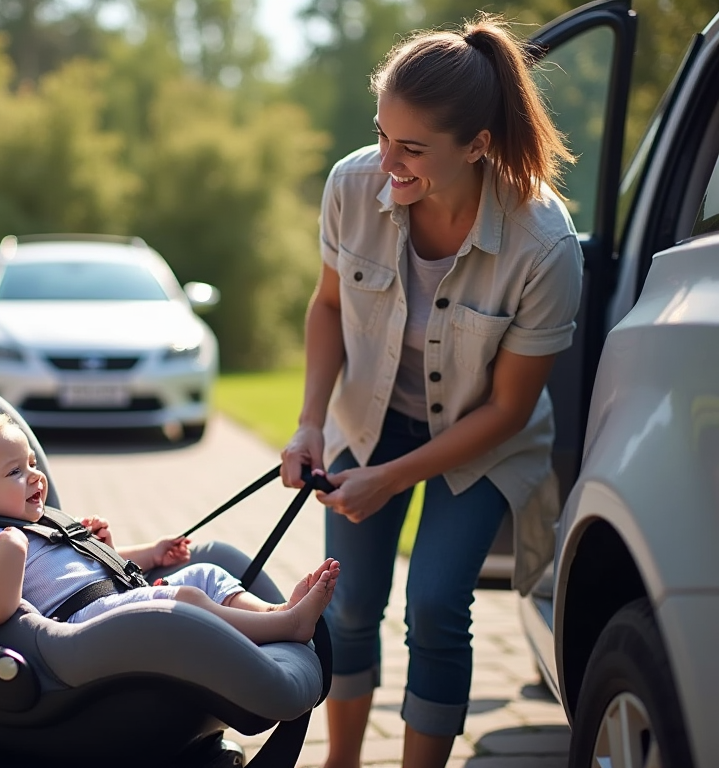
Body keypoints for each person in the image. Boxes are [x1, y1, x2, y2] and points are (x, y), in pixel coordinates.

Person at [278, 14, 583, 768]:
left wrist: (389, 480)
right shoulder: (353, 185)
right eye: (382, 135)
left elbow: (509, 408)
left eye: (411, 149)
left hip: (481, 439)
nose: (387, 162)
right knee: (347, 606)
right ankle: (340, 761)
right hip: (368, 421)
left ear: (478, 146)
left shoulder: (545, 242)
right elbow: (326, 306)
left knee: (438, 607)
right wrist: (309, 423)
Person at [0, 407, 339, 644]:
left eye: (31, 463)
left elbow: (94, 569)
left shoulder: (41, 522)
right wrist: (10, 552)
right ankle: (288, 627)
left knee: (205, 575)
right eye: (14, 472)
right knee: (187, 598)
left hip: (117, 596)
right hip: (84, 626)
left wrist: (146, 552)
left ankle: (276, 612)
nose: (35, 476)